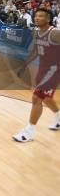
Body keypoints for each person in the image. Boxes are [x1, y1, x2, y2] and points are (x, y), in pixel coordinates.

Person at [13, 8, 60, 142]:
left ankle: (29, 132)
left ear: (48, 19)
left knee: (37, 97)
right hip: (43, 69)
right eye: (36, 16)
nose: (37, 18)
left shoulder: (55, 33)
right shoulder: (37, 32)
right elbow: (35, 51)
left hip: (54, 70)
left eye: (41, 16)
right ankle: (58, 116)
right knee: (45, 98)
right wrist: (24, 65)